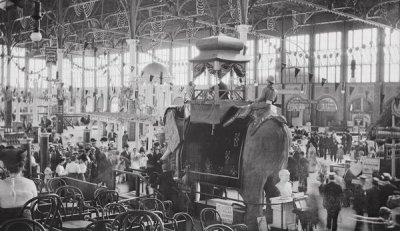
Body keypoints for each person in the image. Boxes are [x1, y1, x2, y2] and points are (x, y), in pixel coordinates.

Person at [0, 148, 37, 225]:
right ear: (22, 166)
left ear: (5, 167)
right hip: (27, 227)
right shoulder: (30, 183)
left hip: (6, 227)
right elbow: (35, 207)